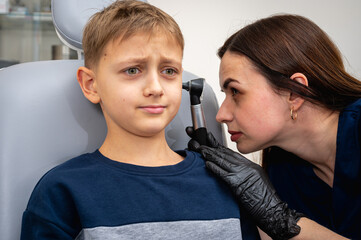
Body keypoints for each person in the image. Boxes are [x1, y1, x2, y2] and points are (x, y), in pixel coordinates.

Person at [20, 0, 261, 239]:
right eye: (133, 70)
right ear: (91, 85)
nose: (156, 88)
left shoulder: (226, 180)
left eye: (169, 71)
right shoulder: (63, 191)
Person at [188, 14, 361, 240]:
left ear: (295, 92)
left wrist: (279, 218)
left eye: (236, 92)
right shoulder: (283, 170)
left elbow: (283, 226)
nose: (221, 115)